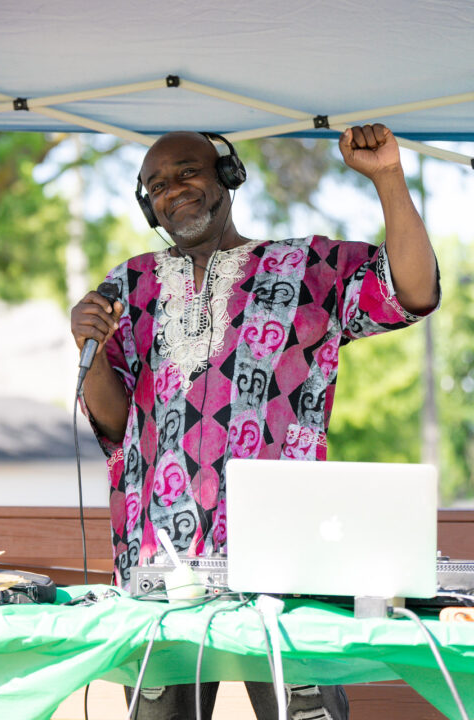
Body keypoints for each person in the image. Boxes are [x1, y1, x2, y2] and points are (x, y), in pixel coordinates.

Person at [70, 124, 439, 719]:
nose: (174, 190)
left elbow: (413, 291)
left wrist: (388, 178)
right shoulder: (130, 284)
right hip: (162, 566)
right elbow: (114, 422)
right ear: (147, 205)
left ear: (227, 175)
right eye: (156, 184)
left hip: (285, 561)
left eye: (187, 171)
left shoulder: (308, 266)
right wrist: (85, 346)